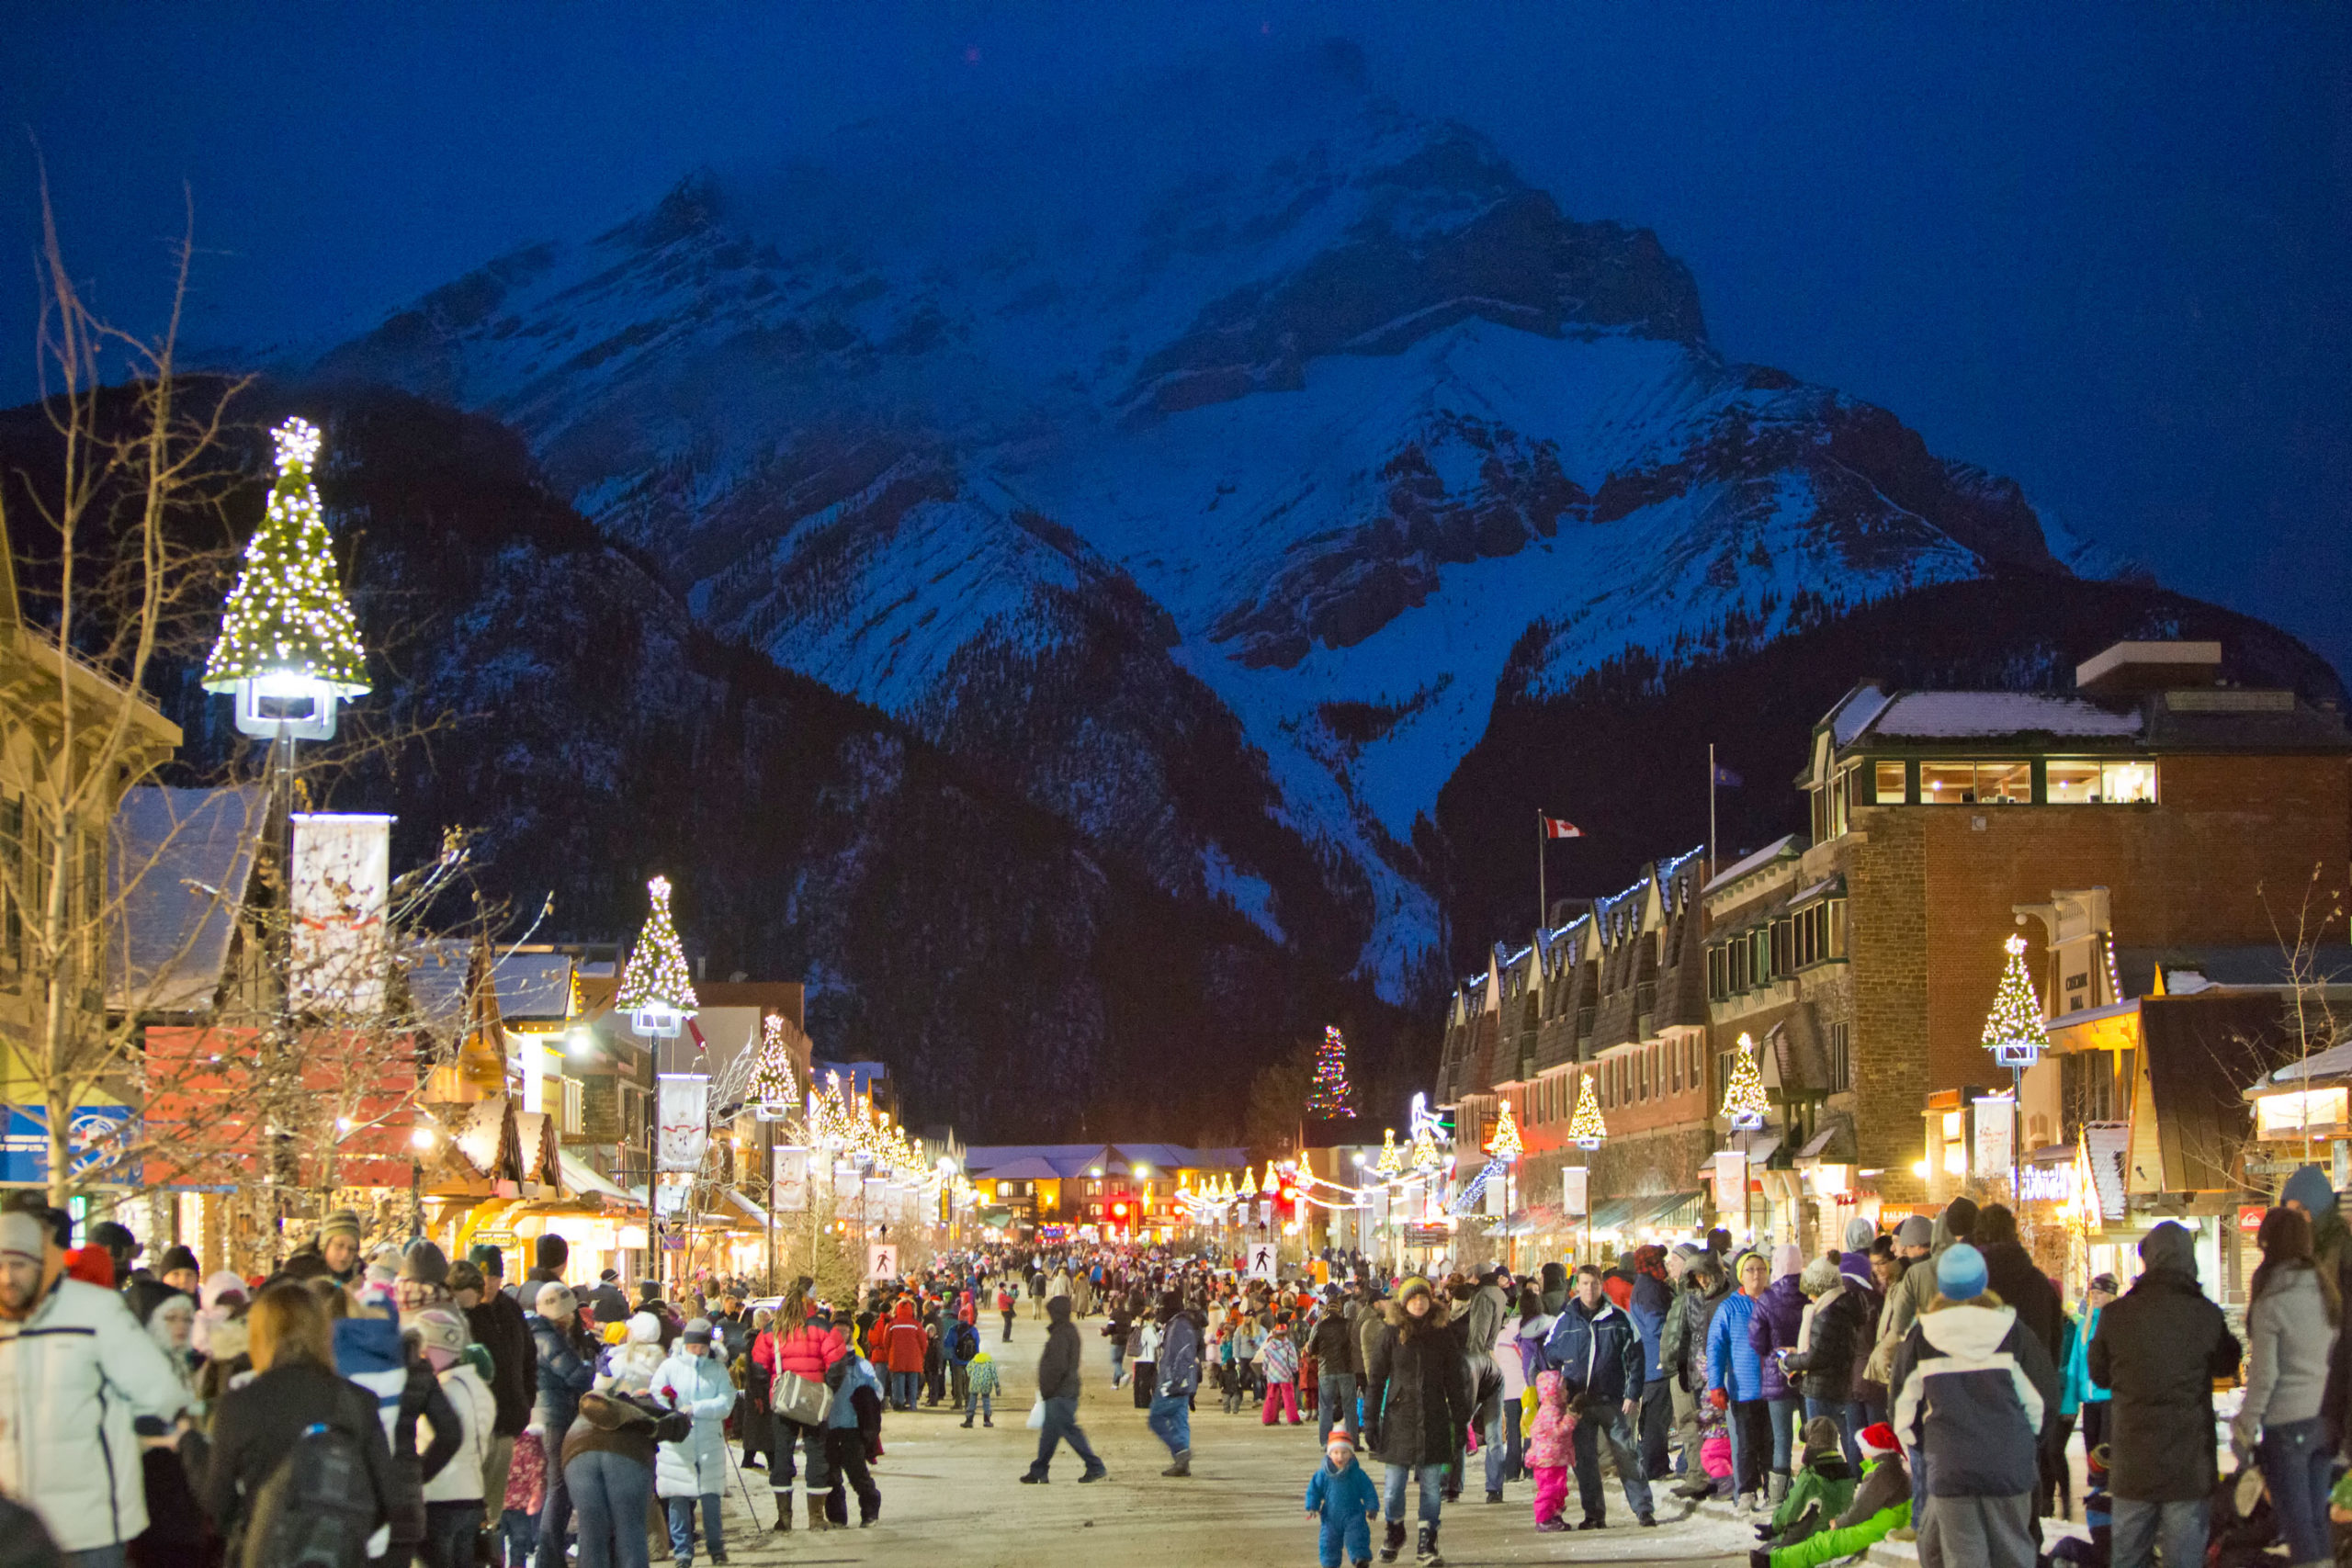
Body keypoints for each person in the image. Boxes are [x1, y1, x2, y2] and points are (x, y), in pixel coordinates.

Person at [0, 1210, 195, 1559]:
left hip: (75, 1524)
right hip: (53, 1526)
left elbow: (160, 1393)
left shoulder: (96, 1313)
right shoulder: (98, 1311)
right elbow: (163, 1396)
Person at [1890, 1241, 2056, 1568]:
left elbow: (1901, 1412)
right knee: (2014, 1553)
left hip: (1951, 1468)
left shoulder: (1922, 1338)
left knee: (1963, 1558)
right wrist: (2024, 1443)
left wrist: (1930, 1446)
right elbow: (2043, 1401)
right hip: (2009, 1464)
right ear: (1983, 1282)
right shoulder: (2014, 1333)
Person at [201, 1282, 398, 1556]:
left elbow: (216, 1506)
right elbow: (386, 1496)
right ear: (322, 1331)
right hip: (335, 1556)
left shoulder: (238, 1405)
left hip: (262, 1553)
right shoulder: (357, 1401)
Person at [2088, 1221, 2241, 1568]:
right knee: (2184, 1560)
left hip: (2132, 1465)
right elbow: (2227, 1362)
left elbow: (2099, 1374)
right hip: (2188, 1467)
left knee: (2128, 1558)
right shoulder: (2204, 1314)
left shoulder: (2116, 1316)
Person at [2233, 1205, 2335, 1568]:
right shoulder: (2327, 1294)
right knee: (2317, 1519)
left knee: (2298, 1525)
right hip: (2326, 1422)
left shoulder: (2271, 1301)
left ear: (2267, 1246)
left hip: (2288, 1425)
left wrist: (2244, 1428)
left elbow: (2264, 1377)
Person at [1363, 1274, 1471, 1567]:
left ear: (1430, 1300)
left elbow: (1454, 1380)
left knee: (1431, 1486)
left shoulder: (1442, 1333)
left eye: (1423, 1297)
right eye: (1413, 1298)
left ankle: (1428, 1540)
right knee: (1394, 1486)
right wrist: (1370, 1421)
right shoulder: (1391, 1332)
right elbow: (1376, 1380)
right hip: (1399, 1419)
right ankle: (1395, 1530)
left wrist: (1461, 1422)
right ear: (1405, 1302)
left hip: (1434, 1417)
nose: (1419, 1303)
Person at [1543, 1261, 1655, 1529]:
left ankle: (1643, 1509)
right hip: (1578, 1403)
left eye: (1594, 1284)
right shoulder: (1565, 1319)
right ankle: (1594, 1514)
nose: (1590, 1289)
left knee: (1626, 1455)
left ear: (1601, 1285)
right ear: (1576, 1287)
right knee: (1585, 1461)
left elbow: (1636, 1356)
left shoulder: (1618, 1317)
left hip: (1612, 1400)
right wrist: (1558, 1385)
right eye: (1584, 1284)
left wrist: (1633, 1392)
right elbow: (1548, 1353)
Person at [122, 1282, 204, 1568]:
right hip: (150, 1493)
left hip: (182, 1495)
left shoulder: (183, 1365)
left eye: (186, 1319)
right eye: (170, 1319)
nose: (180, 1327)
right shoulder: (134, 1371)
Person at [756, 1277, 845, 1533]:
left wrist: (767, 1395)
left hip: (783, 1401)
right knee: (817, 1455)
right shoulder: (823, 1328)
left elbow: (758, 1368)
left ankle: (784, 1518)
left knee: (782, 1457)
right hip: (814, 1401)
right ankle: (816, 1518)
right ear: (810, 1301)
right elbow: (837, 1364)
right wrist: (828, 1389)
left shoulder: (772, 1330)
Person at [1757, 1421, 1911, 1568]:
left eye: (1864, 1447)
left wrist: (1839, 1523)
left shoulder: (1881, 1472)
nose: (1861, 1451)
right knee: (1825, 1541)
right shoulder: (1887, 1467)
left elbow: (1861, 1510)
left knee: (1828, 1543)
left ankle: (1775, 1561)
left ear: (1873, 1449)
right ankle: (1775, 1559)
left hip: (1882, 1524)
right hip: (1888, 1520)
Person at [410, 1305, 494, 1568]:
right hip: (472, 1499)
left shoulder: (440, 1394)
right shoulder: (480, 1389)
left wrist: (415, 1477)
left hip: (438, 1499)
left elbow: (425, 1441)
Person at [455, 1257, 537, 1516]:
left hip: (505, 1422)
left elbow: (528, 1359)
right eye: (482, 1279)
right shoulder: (459, 1317)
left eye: (492, 1277)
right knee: (467, 1505)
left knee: (493, 1509)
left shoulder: (510, 1310)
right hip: (468, 1426)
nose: (488, 1284)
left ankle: (490, 1549)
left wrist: (525, 1401)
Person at [652, 1319, 737, 1568]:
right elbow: (657, 1392)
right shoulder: (670, 1366)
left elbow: (726, 1401)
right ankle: (682, 1552)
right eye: (693, 1346)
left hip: (709, 1441)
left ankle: (716, 1548)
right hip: (678, 1442)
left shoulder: (717, 1369)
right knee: (678, 1498)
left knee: (711, 1499)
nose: (697, 1351)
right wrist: (671, 1407)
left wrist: (698, 1408)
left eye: (701, 1346)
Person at [528, 1281, 597, 1568]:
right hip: (556, 1417)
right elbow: (575, 1375)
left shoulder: (538, 1334)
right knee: (559, 1489)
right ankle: (548, 1557)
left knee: (556, 1488)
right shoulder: (549, 1338)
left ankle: (550, 1555)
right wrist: (592, 1364)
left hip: (546, 1415)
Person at [1778, 1256, 1867, 1464]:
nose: (1809, 1296)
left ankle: (1825, 1482)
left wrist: (1789, 1361)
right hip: (1838, 1383)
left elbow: (1816, 1356)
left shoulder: (1827, 1313)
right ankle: (1852, 1479)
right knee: (1842, 1436)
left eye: (1811, 1290)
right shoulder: (1844, 1307)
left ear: (1819, 1287)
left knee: (1821, 1443)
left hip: (1822, 1387)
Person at [1021, 1295, 1106, 1483]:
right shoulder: (1067, 1331)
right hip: (1063, 1391)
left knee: (1069, 1430)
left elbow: (1057, 1366)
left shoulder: (1062, 1334)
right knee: (1050, 1433)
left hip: (1061, 1392)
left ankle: (1095, 1465)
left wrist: (1048, 1388)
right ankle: (1039, 1469)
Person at [1708, 1252, 1770, 1512]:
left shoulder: (1773, 1302)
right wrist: (1716, 1384)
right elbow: (1716, 1347)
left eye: (1761, 1269)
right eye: (1751, 1270)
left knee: (1772, 1442)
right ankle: (1746, 1490)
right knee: (1746, 1443)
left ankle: (1774, 1489)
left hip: (1774, 1388)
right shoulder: (1730, 1308)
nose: (1756, 1274)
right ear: (1741, 1275)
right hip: (1744, 1388)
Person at [1747, 1244, 1808, 1509]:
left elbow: (1757, 1340)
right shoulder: (1809, 1296)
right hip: (1809, 1371)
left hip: (1777, 1373)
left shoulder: (1767, 1300)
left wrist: (1772, 1352)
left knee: (1782, 1438)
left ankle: (1778, 1495)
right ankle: (1811, 1485)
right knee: (1813, 1433)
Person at [820, 1338, 885, 1528]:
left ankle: (870, 1511)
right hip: (828, 1425)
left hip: (852, 1425)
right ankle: (836, 1517)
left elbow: (876, 1391)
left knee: (856, 1472)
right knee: (830, 1475)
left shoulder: (860, 1365)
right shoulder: (823, 1365)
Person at [1627, 1246, 1673, 1482]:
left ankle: (1654, 1463)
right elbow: (1656, 1326)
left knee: (1653, 1416)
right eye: (1661, 1260)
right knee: (1657, 1417)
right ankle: (1656, 1466)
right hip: (1658, 1361)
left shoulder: (1644, 1286)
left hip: (1651, 1360)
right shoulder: (1650, 1289)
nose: (1665, 1265)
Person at [1306, 1432, 1381, 1568]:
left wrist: (1372, 1507)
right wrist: (1312, 1505)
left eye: (1344, 1453)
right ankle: (1329, 1563)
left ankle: (1360, 1559)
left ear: (1351, 1454)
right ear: (1329, 1454)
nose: (1340, 1456)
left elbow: (1368, 1490)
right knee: (1328, 1542)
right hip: (1330, 1516)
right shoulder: (1323, 1474)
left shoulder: (1357, 1474)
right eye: (1336, 1452)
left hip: (1354, 1514)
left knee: (1357, 1537)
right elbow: (1314, 1490)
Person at [1151, 1292, 1201, 1476]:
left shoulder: (1177, 1326)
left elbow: (1179, 1355)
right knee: (1180, 1419)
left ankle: (1181, 1454)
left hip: (1177, 1381)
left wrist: (1173, 1380)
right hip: (1185, 1380)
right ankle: (1182, 1463)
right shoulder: (1184, 1324)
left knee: (1156, 1418)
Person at [1526, 1367, 1574, 1532]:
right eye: (1564, 1389)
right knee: (1549, 1489)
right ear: (1555, 1392)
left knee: (1558, 1489)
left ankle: (1554, 1515)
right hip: (1547, 1460)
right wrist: (1571, 1419)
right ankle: (1543, 1518)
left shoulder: (1554, 1409)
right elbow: (1556, 1432)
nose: (1567, 1392)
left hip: (1555, 1458)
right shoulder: (1550, 1411)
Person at [1312, 1293, 1362, 1444]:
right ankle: (1353, 1441)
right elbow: (1355, 1345)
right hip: (1346, 1370)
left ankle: (1325, 1442)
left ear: (1327, 1310)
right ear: (1340, 1309)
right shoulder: (1348, 1324)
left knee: (1325, 1407)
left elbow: (1313, 1349)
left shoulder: (1320, 1326)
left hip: (1326, 1371)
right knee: (1349, 1407)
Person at [881, 1299, 925, 1411]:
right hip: (914, 1358)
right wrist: (921, 1355)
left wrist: (889, 1354)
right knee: (913, 1381)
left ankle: (899, 1403)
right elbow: (923, 1342)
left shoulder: (892, 1325)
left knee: (898, 1380)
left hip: (897, 1357)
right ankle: (913, 1404)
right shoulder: (916, 1325)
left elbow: (886, 1342)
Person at [1262, 1313, 1303, 1425]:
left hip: (1272, 1374)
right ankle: (1293, 1418)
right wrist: (1295, 1371)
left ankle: (1269, 1418)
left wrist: (1265, 1372)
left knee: (1271, 1397)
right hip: (1285, 1374)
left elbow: (1265, 1361)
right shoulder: (1289, 1345)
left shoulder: (1269, 1345)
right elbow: (1293, 1361)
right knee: (1288, 1397)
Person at [963, 1341, 1000, 1427]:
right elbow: (994, 1374)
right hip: (985, 1384)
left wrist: (972, 1375)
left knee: (972, 1400)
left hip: (974, 1383)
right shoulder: (990, 1361)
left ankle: (969, 1420)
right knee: (986, 1401)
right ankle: (986, 1420)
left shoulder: (975, 1359)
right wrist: (997, 1384)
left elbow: (968, 1369)